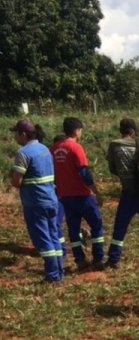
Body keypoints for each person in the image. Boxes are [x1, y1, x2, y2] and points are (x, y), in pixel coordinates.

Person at [9, 119, 64, 282]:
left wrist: (12, 175)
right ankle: (60, 272)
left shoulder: (23, 153)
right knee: (54, 235)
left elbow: (16, 182)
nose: (15, 138)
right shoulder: (45, 149)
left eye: (16, 134)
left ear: (23, 134)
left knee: (43, 238)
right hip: (51, 199)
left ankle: (52, 275)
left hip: (35, 202)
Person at [50, 117, 105, 271]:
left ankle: (79, 259)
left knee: (73, 229)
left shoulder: (53, 149)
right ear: (76, 131)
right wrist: (96, 192)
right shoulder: (76, 148)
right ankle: (98, 257)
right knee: (97, 226)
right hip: (83, 195)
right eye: (80, 130)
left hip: (65, 196)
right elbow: (84, 172)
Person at [105, 118, 139, 269]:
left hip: (128, 192)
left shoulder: (114, 145)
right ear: (133, 130)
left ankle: (114, 258)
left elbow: (112, 169)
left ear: (121, 130)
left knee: (120, 225)